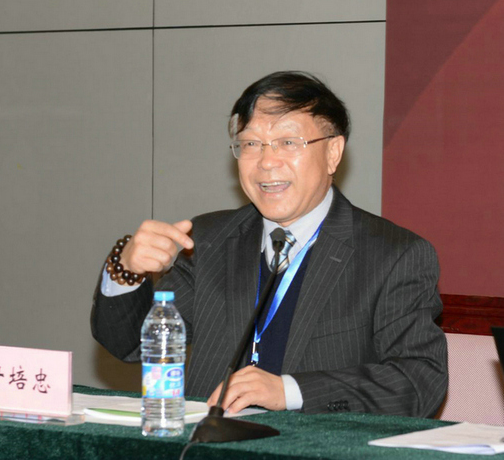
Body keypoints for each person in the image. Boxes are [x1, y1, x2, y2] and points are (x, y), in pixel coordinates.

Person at [91, 71, 448, 417]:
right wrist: (126, 270)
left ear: (333, 153)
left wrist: (289, 391)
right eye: (251, 144)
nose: (266, 162)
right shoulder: (208, 241)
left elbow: (418, 382)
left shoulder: (393, 255)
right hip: (206, 444)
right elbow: (132, 346)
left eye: (288, 143)